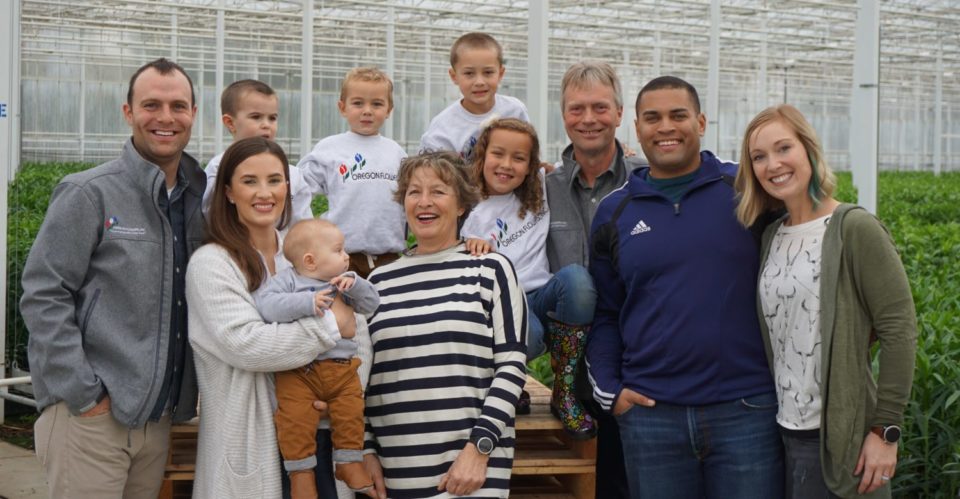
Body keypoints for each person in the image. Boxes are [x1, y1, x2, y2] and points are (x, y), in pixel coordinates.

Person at [586, 76, 783, 498]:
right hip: (652, 416)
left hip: (747, 410)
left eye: (678, 115)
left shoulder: (747, 190)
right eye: (652, 118)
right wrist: (612, 390)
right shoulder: (614, 211)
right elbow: (605, 312)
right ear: (636, 128)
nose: (666, 127)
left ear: (701, 122)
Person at [21, 58, 202, 499]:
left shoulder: (199, 200)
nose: (165, 117)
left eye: (178, 105)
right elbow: (44, 295)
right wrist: (85, 397)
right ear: (128, 113)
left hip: (156, 421)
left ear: (193, 114)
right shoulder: (89, 193)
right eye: (151, 105)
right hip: (93, 417)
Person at [735, 104, 917, 498]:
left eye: (784, 148)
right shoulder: (772, 236)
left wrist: (885, 432)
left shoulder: (854, 228)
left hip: (843, 438)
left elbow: (899, 331)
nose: (773, 164)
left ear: (809, 149)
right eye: (759, 157)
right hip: (783, 433)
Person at [185, 137, 352, 498]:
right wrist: (328, 327)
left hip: (320, 432)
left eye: (275, 180)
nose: (265, 193)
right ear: (228, 192)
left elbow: (359, 327)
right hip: (251, 441)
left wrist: (341, 384)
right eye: (250, 181)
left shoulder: (302, 252)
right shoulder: (213, 263)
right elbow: (248, 344)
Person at [362, 152, 527, 499]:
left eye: (438, 191)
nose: (424, 202)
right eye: (413, 192)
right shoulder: (377, 283)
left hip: (471, 475)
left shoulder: (490, 269)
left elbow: (511, 367)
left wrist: (479, 449)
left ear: (462, 204)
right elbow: (358, 377)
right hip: (394, 478)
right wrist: (365, 451)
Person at [545, 61, 644, 498]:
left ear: (619, 113)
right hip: (572, 377)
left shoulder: (647, 180)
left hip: (638, 365)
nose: (588, 119)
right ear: (563, 115)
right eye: (577, 109)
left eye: (600, 107)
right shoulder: (542, 189)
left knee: (637, 480)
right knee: (589, 484)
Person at [461, 118, 596, 438]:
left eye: (519, 158)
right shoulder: (464, 204)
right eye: (497, 154)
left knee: (577, 281)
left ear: (531, 164)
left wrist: (627, 152)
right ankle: (508, 385)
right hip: (501, 304)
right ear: (482, 155)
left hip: (541, 295)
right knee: (528, 337)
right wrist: (465, 246)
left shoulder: (542, 186)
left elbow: (586, 164)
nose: (506, 165)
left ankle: (564, 392)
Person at [254, 218, 379, 496]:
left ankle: (348, 461)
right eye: (338, 250)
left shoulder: (343, 283)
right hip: (300, 372)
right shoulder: (287, 281)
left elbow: (372, 304)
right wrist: (306, 303)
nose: (346, 256)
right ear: (310, 261)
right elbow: (267, 307)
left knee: (350, 413)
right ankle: (300, 473)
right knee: (294, 421)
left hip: (343, 370)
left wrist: (356, 284)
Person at [298, 67, 406, 278]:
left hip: (389, 257)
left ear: (389, 110)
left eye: (377, 104)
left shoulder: (396, 153)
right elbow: (299, 188)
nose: (367, 110)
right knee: (343, 308)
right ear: (342, 107)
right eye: (358, 103)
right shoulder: (330, 148)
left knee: (388, 309)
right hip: (341, 256)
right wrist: (310, 229)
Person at [201, 79, 313, 224]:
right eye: (256, 117)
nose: (266, 125)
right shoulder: (219, 167)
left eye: (272, 118)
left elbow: (303, 225)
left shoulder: (292, 174)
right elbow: (211, 217)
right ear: (230, 122)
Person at [418, 32, 529, 162]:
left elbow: (528, 154)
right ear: (454, 76)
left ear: (500, 73)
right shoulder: (442, 128)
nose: (479, 82)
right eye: (469, 73)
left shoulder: (515, 110)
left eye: (488, 72)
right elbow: (433, 174)